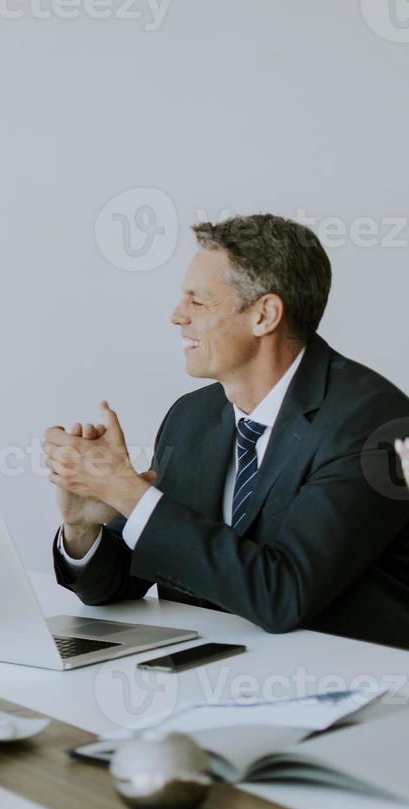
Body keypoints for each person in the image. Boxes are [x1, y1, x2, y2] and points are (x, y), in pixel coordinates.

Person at [44, 214, 409, 649]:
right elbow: (122, 582)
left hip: (348, 688)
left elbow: (283, 595)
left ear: (264, 315)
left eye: (198, 302)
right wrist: (82, 528)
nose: (177, 316)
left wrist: (128, 493)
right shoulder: (191, 416)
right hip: (208, 678)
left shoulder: (372, 424)